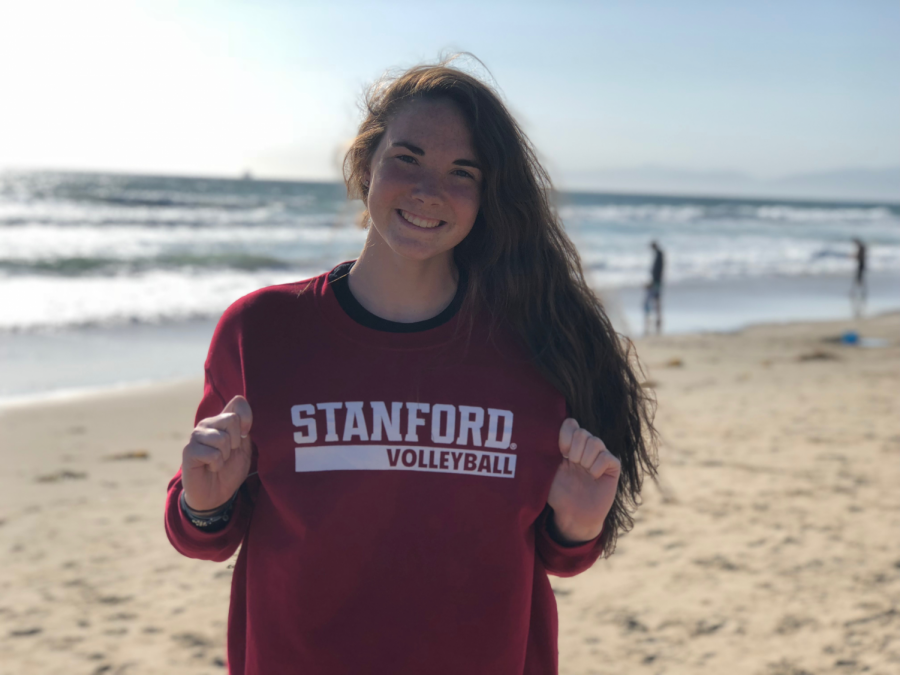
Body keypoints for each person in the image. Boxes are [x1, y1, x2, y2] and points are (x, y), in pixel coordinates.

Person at [165, 59, 657, 675]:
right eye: (408, 157)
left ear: (487, 193)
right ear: (364, 163)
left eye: (462, 172)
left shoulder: (537, 345)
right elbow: (201, 533)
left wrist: (579, 524)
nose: (429, 190)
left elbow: (560, 556)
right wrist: (205, 504)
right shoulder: (261, 331)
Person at [644, 240, 664, 335]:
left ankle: (653, 324)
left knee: (651, 303)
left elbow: (658, 271)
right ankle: (657, 324)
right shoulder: (659, 254)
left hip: (656, 283)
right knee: (656, 303)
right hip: (657, 282)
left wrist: (652, 283)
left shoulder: (659, 255)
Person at [850, 237, 867, 317]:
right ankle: (859, 291)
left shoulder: (861, 247)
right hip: (862, 265)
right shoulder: (862, 247)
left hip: (861, 265)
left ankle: (859, 291)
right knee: (859, 278)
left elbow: (860, 257)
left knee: (859, 279)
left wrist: (854, 256)